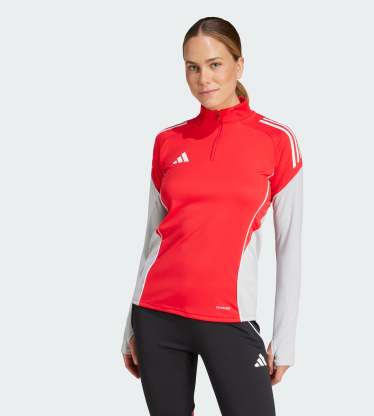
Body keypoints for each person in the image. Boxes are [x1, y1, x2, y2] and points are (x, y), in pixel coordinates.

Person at [121, 16, 303, 416]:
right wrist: (129, 326)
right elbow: (153, 237)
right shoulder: (168, 142)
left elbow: (289, 246)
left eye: (215, 64)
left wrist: (284, 338)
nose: (203, 79)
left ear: (239, 65)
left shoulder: (276, 141)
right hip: (156, 316)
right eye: (193, 67)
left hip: (229, 316)